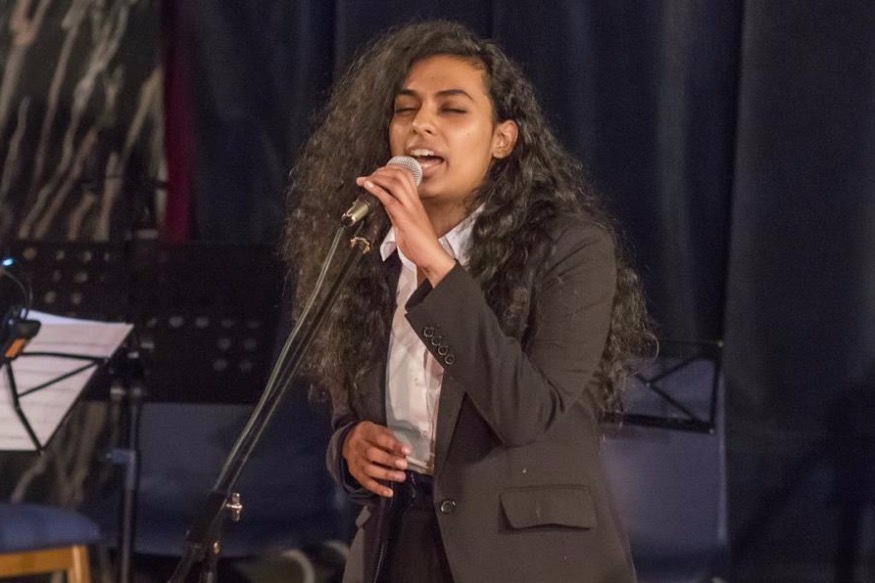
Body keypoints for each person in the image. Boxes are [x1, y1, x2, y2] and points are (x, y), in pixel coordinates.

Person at [285, 20, 652, 583]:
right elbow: (349, 409)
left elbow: (526, 413)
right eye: (405, 110)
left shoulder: (570, 248)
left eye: (452, 109)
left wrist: (435, 264)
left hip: (527, 554)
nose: (421, 124)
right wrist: (349, 447)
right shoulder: (367, 251)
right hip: (398, 541)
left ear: (502, 139)